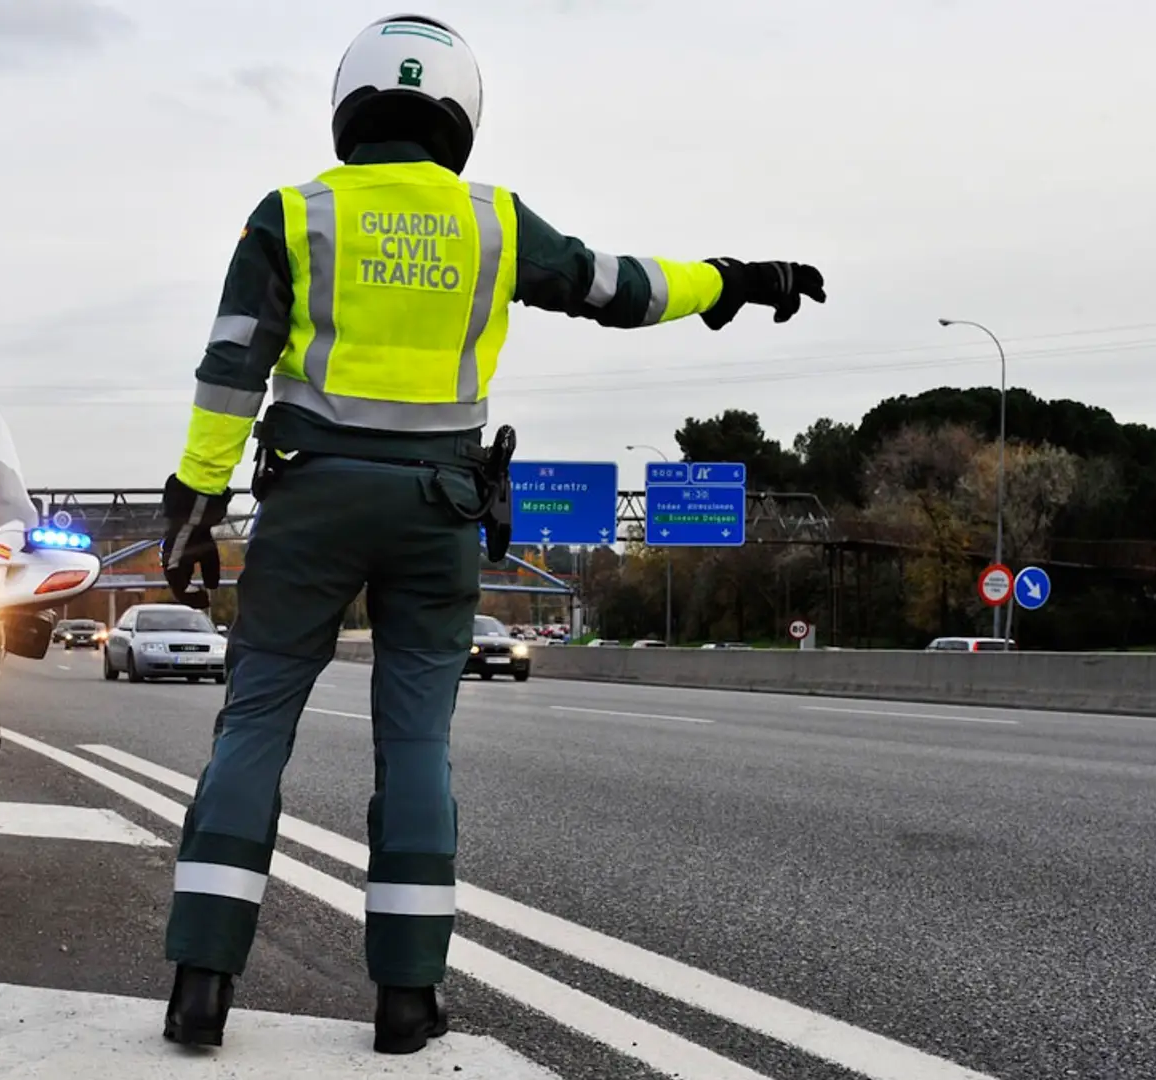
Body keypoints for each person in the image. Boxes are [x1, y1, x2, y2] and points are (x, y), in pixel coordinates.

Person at [153, 11, 826, 1055]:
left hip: (310, 502)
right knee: (415, 744)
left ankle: (202, 984)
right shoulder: (494, 222)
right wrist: (734, 281)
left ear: (348, 107)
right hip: (438, 514)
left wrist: (193, 506)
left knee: (255, 725)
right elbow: (619, 286)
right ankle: (408, 1000)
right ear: (460, 114)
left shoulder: (291, 214)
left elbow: (232, 365)